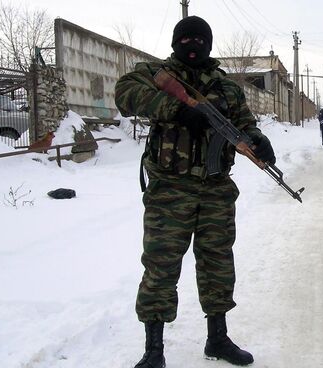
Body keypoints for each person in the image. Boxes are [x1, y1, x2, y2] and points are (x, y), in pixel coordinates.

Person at [114, 16, 276, 367]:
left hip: (216, 190)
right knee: (161, 266)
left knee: (218, 262)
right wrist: (176, 109)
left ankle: (217, 337)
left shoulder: (227, 87)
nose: (193, 45)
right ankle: (153, 351)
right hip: (169, 190)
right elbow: (126, 93)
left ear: (209, 43)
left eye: (199, 39)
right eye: (185, 39)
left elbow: (244, 122)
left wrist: (258, 141)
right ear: (175, 43)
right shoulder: (154, 73)